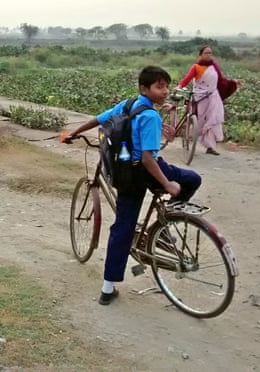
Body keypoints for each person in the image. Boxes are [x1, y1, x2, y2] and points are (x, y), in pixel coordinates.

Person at [64, 66, 202, 305]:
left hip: (126, 173)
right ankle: (167, 221)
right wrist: (168, 184)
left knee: (122, 228)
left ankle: (108, 288)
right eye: (159, 87)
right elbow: (149, 159)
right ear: (144, 88)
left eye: (166, 86)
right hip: (147, 171)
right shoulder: (150, 116)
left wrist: (73, 133)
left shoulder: (128, 105)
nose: (165, 91)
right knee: (192, 179)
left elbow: (99, 119)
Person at [177, 45, 241, 156]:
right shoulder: (196, 67)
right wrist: (180, 86)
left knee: (213, 120)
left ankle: (210, 147)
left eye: (210, 53)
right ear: (201, 54)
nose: (209, 55)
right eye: (206, 53)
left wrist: (233, 82)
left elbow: (221, 81)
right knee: (201, 121)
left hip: (213, 97)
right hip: (200, 97)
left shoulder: (214, 66)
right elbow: (187, 79)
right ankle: (193, 136)